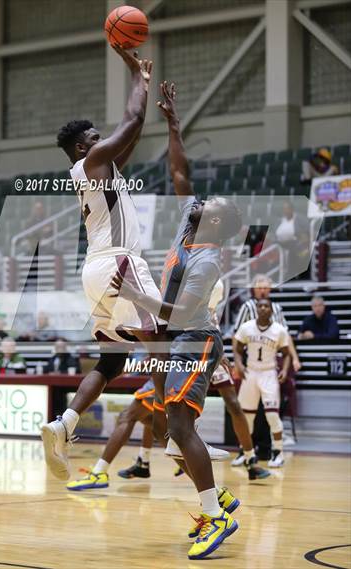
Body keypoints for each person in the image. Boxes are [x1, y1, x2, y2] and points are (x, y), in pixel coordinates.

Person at [111, 82, 242, 560]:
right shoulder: (191, 222)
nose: (204, 200)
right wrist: (173, 124)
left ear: (217, 222)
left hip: (195, 339)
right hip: (171, 341)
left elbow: (182, 313)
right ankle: (220, 498)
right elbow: (180, 172)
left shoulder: (208, 260)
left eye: (214, 205)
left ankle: (216, 514)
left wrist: (133, 295)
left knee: (182, 428)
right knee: (171, 434)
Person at [41, 46, 170, 483]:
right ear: (82, 147)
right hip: (119, 263)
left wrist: (156, 113)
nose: (101, 141)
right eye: (95, 137)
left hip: (96, 271)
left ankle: (65, 424)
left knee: (111, 363)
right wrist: (139, 76)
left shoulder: (99, 168)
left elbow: (132, 134)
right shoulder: (90, 162)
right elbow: (131, 122)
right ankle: (175, 432)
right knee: (161, 337)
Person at [207, 280, 270, 481]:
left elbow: (214, 329)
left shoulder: (210, 308)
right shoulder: (189, 297)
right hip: (190, 355)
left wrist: (221, 352)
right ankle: (150, 457)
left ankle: (250, 460)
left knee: (235, 405)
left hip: (213, 356)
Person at [67, 379, 155, 490]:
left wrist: (130, 366)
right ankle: (144, 462)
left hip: (167, 376)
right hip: (173, 377)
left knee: (127, 416)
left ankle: (99, 473)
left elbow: (153, 361)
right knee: (149, 418)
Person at [233, 299, 291, 468]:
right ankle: (245, 452)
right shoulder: (246, 327)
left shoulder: (279, 330)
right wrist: (239, 364)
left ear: (272, 310)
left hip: (268, 373)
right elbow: (237, 348)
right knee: (246, 417)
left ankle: (278, 453)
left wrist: (285, 370)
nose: (263, 308)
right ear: (256, 309)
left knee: (272, 415)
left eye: (267, 306)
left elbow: (287, 353)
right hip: (250, 373)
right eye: (260, 306)